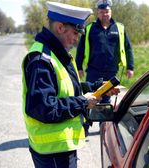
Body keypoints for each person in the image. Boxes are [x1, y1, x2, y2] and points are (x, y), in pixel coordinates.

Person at [21, 1, 119, 168]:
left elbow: (68, 88)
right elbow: (42, 107)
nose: (77, 38)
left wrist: (96, 88)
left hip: (60, 148)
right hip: (52, 153)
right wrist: (83, 101)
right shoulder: (41, 60)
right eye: (75, 32)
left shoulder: (57, 54)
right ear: (60, 28)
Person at [76, 0, 134, 134]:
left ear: (111, 12)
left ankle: (104, 129)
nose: (104, 14)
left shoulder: (119, 28)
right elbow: (80, 49)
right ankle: (84, 127)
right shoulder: (90, 28)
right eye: (102, 12)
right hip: (93, 71)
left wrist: (130, 67)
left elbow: (128, 48)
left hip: (111, 71)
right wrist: (79, 67)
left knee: (106, 101)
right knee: (90, 98)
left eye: (107, 11)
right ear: (98, 13)